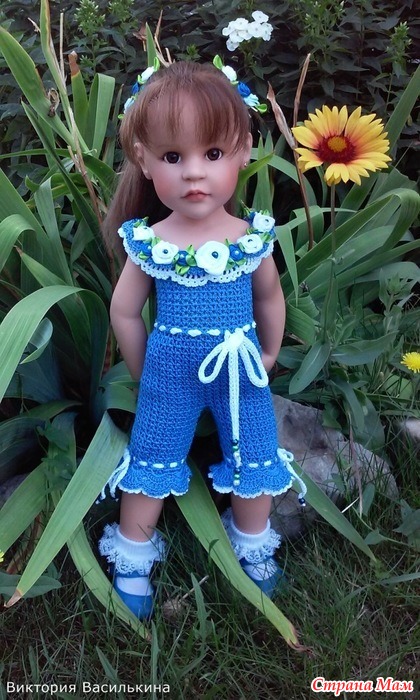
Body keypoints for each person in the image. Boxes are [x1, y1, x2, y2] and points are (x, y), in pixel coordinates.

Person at [98, 61, 306, 619]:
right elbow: (125, 311)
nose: (194, 173)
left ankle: (252, 548)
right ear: (144, 160)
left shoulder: (249, 238)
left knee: (255, 455)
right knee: (152, 458)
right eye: (173, 157)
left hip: (241, 371)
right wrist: (144, 371)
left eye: (212, 154)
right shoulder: (152, 243)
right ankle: (133, 559)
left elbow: (269, 298)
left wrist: (269, 350)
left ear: (242, 151)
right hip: (169, 374)